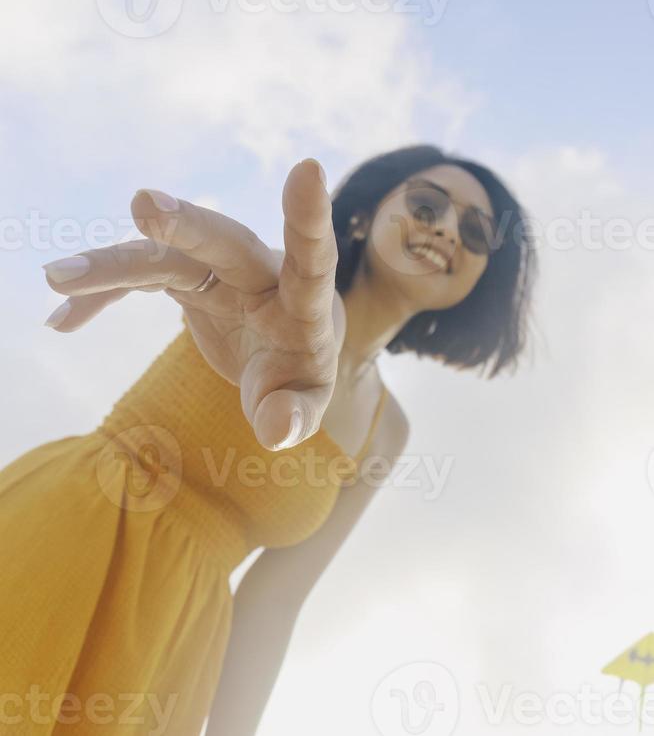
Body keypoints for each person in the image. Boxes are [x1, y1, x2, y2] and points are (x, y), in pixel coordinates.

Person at [0, 144, 537, 735]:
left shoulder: (387, 429)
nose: (446, 228)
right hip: (74, 531)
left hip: (170, 648)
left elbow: (273, 602)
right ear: (363, 215)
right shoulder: (280, 292)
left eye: (477, 231)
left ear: (485, 275)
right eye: (426, 203)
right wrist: (297, 314)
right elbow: (310, 311)